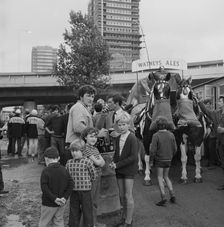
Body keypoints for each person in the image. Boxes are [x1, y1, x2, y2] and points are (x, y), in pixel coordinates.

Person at [110, 112, 138, 227]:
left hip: (129, 170)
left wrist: (117, 165)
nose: (121, 127)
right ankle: (124, 216)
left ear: (128, 124)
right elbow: (117, 153)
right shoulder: (118, 138)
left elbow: (133, 157)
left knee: (128, 195)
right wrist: (113, 161)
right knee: (121, 195)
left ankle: (129, 221)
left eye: (124, 124)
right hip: (119, 169)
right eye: (119, 125)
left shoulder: (132, 137)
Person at [38, 147, 74, 227]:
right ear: (58, 158)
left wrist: (54, 199)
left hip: (48, 203)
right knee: (59, 220)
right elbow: (71, 183)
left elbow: (44, 188)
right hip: (61, 203)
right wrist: (65, 197)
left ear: (46, 159)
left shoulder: (45, 171)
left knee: (44, 222)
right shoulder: (64, 169)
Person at [66, 138, 97, 227]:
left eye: (76, 150)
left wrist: (88, 182)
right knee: (73, 211)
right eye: (72, 151)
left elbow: (93, 175)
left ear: (82, 151)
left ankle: (89, 225)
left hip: (86, 191)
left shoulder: (88, 162)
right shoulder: (69, 163)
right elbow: (67, 176)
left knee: (87, 211)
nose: (74, 153)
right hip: (73, 191)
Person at [197, 95, 224, 190]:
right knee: (223, 164)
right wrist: (199, 101)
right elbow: (207, 112)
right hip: (221, 143)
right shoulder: (217, 113)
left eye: (220, 101)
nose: (218, 103)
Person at [150, 117, 177, 206]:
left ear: (157, 126)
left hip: (159, 160)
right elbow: (175, 148)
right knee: (166, 176)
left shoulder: (155, 135)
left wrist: (151, 161)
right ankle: (172, 195)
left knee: (159, 177)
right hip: (168, 159)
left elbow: (152, 150)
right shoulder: (171, 135)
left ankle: (163, 197)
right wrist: (171, 156)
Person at [82, 127, 106, 227]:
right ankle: (89, 224)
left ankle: (93, 223)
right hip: (90, 178)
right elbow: (98, 162)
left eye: (95, 136)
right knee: (90, 202)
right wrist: (99, 161)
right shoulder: (85, 148)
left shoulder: (95, 148)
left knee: (95, 201)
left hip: (97, 176)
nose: (94, 139)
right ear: (85, 137)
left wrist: (99, 161)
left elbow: (103, 163)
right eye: (91, 136)